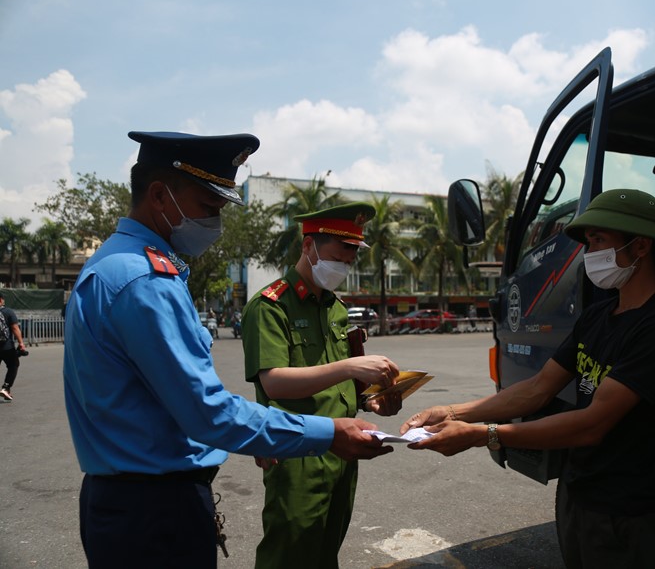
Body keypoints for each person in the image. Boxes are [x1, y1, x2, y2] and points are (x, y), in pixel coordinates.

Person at [63, 131, 393, 569]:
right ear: (160, 195)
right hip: (154, 509)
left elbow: (163, 401)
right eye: (208, 208)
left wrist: (251, 433)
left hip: (136, 500)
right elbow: (208, 411)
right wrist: (330, 433)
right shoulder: (145, 281)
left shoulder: (115, 264)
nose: (216, 225)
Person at [400, 189, 655, 569]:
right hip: (578, 494)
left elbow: (591, 425)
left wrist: (484, 435)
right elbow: (536, 390)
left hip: (625, 512)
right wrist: (451, 412)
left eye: (599, 241)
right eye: (588, 244)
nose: (589, 254)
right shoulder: (598, 316)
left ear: (640, 247)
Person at [241, 201, 403, 569]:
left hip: (343, 448)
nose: (344, 267)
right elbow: (275, 382)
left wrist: (371, 401)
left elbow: (338, 384)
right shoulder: (270, 307)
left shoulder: (335, 308)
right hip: (297, 450)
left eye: (350, 260)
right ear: (308, 247)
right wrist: (348, 366)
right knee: (290, 554)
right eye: (338, 256)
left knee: (326, 551)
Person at [0, 292, 26, 402]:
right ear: (1, 300)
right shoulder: (8, 312)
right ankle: (6, 387)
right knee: (13, 365)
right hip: (6, 347)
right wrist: (21, 343)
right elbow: (15, 328)